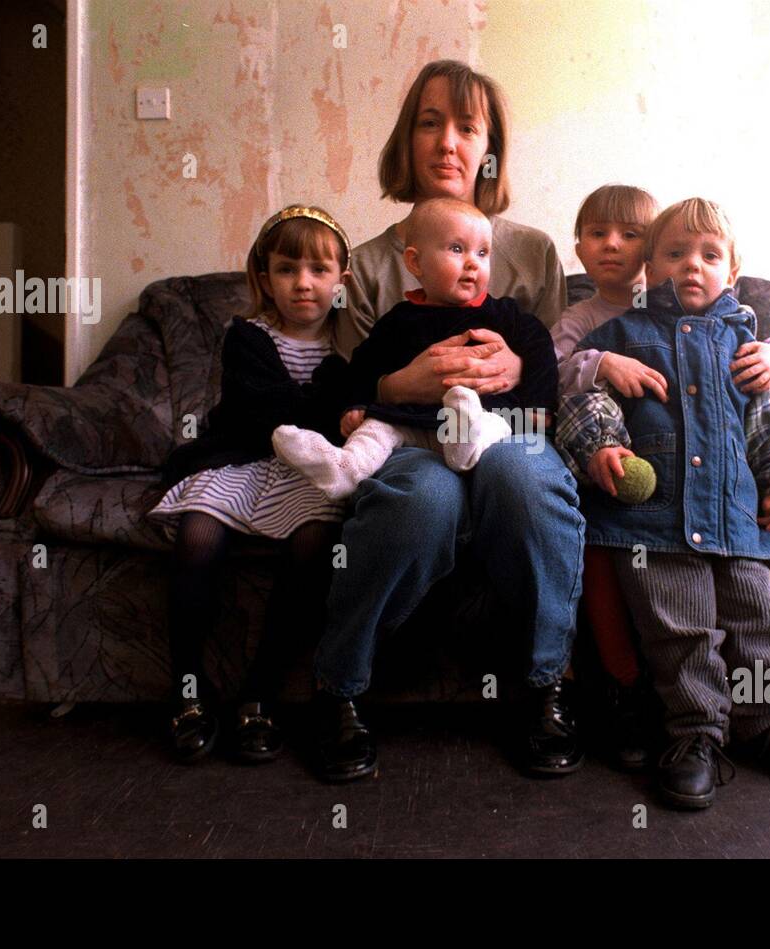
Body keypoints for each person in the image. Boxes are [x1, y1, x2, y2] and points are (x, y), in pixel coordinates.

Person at [307, 60, 586, 783]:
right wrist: (401, 381)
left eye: (468, 127)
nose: (447, 143)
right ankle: (342, 690)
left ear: (490, 148)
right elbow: (340, 387)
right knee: (423, 497)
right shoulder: (364, 266)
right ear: (407, 138)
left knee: (521, 478)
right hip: (405, 439)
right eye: (429, 122)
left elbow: (550, 368)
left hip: (508, 433)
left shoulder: (531, 253)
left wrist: (519, 371)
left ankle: (544, 687)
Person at [556, 197, 770, 810]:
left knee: (759, 621)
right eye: (675, 254)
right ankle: (695, 736)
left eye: (710, 256)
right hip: (654, 525)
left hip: (737, 519)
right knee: (680, 632)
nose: (692, 266)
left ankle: (764, 723)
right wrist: (602, 444)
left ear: (731, 273)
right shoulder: (620, 335)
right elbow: (586, 401)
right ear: (650, 267)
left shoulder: (750, 345)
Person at [147, 205, 353, 765]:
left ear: (343, 281)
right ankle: (187, 689)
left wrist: (327, 413)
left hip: (306, 473)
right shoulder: (247, 337)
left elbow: (337, 418)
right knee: (197, 535)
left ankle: (258, 695)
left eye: (318, 270)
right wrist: (322, 411)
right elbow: (267, 411)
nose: (303, 284)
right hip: (242, 457)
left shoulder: (350, 350)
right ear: (264, 277)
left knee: (317, 542)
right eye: (287, 269)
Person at [272, 198, 556, 498]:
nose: (473, 262)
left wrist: (540, 408)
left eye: (483, 252)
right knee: (376, 429)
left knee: (496, 423)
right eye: (457, 249)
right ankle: (345, 468)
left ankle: (466, 444)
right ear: (415, 262)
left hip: (484, 412)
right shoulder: (398, 320)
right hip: (411, 422)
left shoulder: (506, 315)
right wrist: (357, 404)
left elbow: (541, 351)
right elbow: (365, 364)